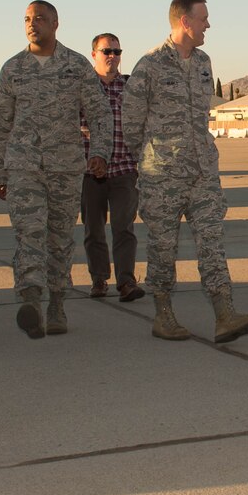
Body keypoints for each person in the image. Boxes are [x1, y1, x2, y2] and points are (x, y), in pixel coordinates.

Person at [122, 0, 248, 343]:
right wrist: (154, 160)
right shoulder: (150, 65)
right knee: (163, 246)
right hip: (163, 176)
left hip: (203, 172)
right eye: (203, 18)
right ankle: (163, 315)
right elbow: (130, 123)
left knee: (212, 241)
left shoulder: (204, 61)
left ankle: (225, 315)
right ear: (185, 21)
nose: (208, 25)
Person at [0, 0, 112, 339]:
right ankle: (30, 297)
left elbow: (100, 112)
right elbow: (0, 123)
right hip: (23, 167)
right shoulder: (13, 68)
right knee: (29, 231)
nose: (32, 24)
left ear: (56, 23)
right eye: (27, 19)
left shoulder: (76, 66)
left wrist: (100, 151)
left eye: (39, 18)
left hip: (65, 168)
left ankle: (57, 303)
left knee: (59, 239)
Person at [79, 33, 145, 302]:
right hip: (90, 173)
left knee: (124, 228)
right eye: (106, 51)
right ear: (94, 54)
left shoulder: (130, 88)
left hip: (124, 169)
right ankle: (98, 279)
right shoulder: (82, 89)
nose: (112, 56)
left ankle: (126, 282)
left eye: (117, 52)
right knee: (93, 229)